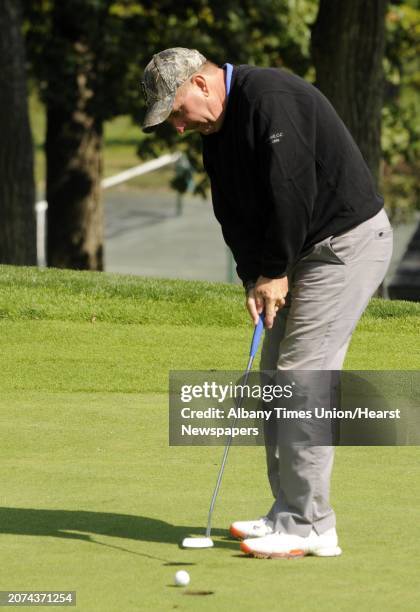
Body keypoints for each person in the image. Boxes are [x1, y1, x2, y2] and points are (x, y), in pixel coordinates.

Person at [141, 48, 393, 558]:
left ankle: (311, 525)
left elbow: (292, 189)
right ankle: (288, 510)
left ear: (201, 84)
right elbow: (231, 210)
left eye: (177, 111)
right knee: (275, 377)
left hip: (343, 245)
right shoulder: (218, 131)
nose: (179, 128)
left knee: (303, 375)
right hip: (297, 251)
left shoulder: (269, 98)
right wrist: (251, 277)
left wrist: (276, 271)